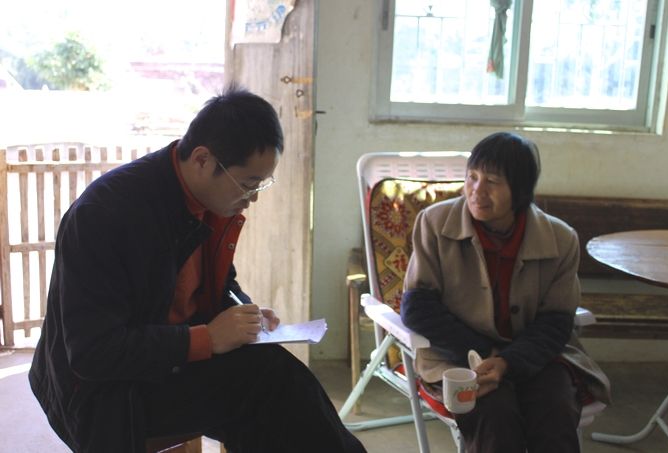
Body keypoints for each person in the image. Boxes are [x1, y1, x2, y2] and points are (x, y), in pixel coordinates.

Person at [29, 84, 366, 453]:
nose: (252, 199)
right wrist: (206, 339)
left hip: (166, 361)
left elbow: (219, 284)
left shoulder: (208, 201)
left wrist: (242, 311)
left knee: (272, 406)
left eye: (260, 186)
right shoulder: (107, 216)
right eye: (247, 185)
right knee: (271, 380)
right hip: (102, 392)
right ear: (202, 160)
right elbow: (93, 353)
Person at [401, 132, 612, 453]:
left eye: (493, 181)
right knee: (493, 415)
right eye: (472, 177)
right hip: (459, 356)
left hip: (537, 355)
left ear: (521, 189)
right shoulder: (434, 223)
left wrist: (509, 362)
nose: (477, 191)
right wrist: (485, 353)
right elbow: (417, 306)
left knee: (555, 412)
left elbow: (556, 321)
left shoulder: (560, 238)